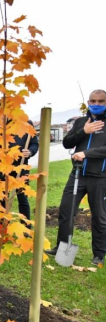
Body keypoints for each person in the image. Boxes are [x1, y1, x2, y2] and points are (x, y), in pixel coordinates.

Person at [45, 89, 106, 266]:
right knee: (66, 211)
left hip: (100, 178)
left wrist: (86, 153)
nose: (96, 104)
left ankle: (99, 254)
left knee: (99, 217)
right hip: (78, 174)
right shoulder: (81, 121)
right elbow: (67, 143)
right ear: (88, 102)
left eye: (101, 101)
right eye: (93, 101)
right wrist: (84, 131)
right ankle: (61, 246)